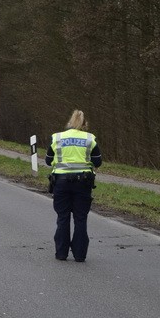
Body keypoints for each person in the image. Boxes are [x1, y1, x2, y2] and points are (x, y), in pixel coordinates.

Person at [45, 109, 102, 262]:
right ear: (85, 124)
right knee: (80, 218)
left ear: (69, 122)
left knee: (63, 217)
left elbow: (48, 160)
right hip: (83, 182)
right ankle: (79, 254)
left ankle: (61, 253)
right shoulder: (90, 139)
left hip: (61, 182)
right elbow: (98, 162)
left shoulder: (57, 137)